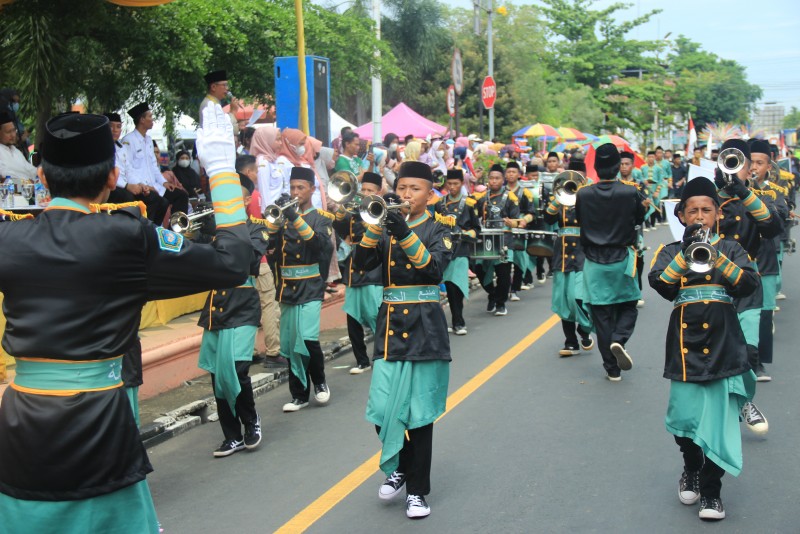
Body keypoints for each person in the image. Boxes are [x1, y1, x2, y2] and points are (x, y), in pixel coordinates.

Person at [0, 105, 251, 532]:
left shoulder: (9, 236)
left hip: (22, 421)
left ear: (42, 177)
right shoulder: (128, 235)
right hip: (98, 418)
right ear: (112, 178)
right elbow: (233, 263)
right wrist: (224, 171)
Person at [648, 176, 759, 521]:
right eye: (692, 211)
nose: (699, 216)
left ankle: (711, 493)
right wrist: (687, 253)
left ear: (717, 215)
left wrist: (715, 256)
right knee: (684, 419)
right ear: (681, 215)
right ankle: (691, 469)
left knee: (718, 422)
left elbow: (747, 283)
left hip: (725, 342)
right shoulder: (668, 251)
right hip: (684, 346)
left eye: (706, 210)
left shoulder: (732, 249)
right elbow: (661, 284)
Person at [352, 160, 452, 520]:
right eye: (403, 187)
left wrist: (403, 233)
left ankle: (417, 492)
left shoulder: (441, 228)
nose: (407, 194)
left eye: (415, 189)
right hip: (390, 330)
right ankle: (403, 469)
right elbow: (361, 264)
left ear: (430, 193)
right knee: (380, 410)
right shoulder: (385, 225)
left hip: (426, 330)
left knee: (420, 417)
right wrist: (374, 228)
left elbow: (433, 268)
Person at [198, 181, 269, 457]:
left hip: (242, 305)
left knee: (237, 371)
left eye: (234, 199)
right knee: (217, 375)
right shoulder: (213, 227)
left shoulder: (257, 228)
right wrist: (199, 234)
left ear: (246, 200)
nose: (227, 204)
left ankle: (251, 421)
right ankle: (231, 436)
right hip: (216, 308)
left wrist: (223, 232)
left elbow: (249, 260)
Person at [575, 143, 647, 381]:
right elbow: (640, 218)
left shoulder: (583, 193)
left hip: (594, 263)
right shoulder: (630, 192)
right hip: (622, 258)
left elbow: (579, 219)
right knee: (629, 304)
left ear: (595, 167)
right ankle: (620, 339)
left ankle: (612, 369)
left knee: (601, 315)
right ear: (618, 167)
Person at [266, 167, 334, 412]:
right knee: (289, 343)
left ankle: (321, 383)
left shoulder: (322, 217)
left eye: (300, 188)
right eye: (292, 187)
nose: (295, 192)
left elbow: (318, 245)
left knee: (307, 338)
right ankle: (299, 395)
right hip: (287, 288)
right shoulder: (283, 217)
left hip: (310, 286)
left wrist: (294, 216)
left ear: (312, 190)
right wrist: (274, 224)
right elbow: (269, 245)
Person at [333, 172, 384, 373]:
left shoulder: (381, 210)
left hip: (373, 269)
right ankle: (361, 360)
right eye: (363, 190)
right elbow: (338, 226)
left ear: (378, 192)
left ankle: (381, 355)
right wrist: (342, 207)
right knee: (352, 317)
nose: (365, 193)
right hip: (355, 270)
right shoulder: (355, 212)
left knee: (374, 314)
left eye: (370, 190)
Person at [748, 139, 789, 380]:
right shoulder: (731, 191)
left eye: (759, 163)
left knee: (764, 313)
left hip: (765, 258)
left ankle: (759, 363)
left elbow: (777, 219)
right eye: (749, 162)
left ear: (768, 167)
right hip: (739, 259)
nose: (753, 167)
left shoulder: (776, 192)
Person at [544, 163, 594, 356]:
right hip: (562, 253)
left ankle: (584, 328)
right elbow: (548, 219)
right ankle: (570, 341)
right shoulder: (560, 196)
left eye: (579, 177)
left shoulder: (590, 195)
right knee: (562, 298)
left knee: (577, 296)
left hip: (582, 252)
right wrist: (558, 199)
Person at [120, 102, 189, 225]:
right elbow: (128, 169)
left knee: (181, 196)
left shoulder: (148, 140)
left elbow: (153, 166)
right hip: (141, 187)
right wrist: (143, 185)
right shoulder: (128, 141)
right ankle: (150, 232)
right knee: (161, 202)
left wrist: (164, 182)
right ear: (142, 120)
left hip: (155, 185)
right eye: (150, 117)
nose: (153, 120)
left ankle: (175, 232)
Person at [472, 164, 522, 317]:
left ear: (503, 180)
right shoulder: (481, 198)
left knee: (504, 274)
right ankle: (492, 294)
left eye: (497, 178)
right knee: (479, 269)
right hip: (486, 240)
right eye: (491, 178)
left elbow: (517, 220)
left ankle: (500, 303)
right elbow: (474, 215)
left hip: (504, 240)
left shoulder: (510, 198)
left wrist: (511, 222)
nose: (494, 181)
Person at [435, 168, 480, 335]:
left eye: (456, 184)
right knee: (449, 287)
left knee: (457, 287)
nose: (452, 187)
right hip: (445, 250)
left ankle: (459, 322)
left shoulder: (470, 203)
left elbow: (476, 228)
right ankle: (455, 322)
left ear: (462, 184)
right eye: (450, 184)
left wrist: (467, 233)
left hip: (461, 250)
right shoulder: (440, 203)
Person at [504, 161, 535, 301]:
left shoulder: (525, 192)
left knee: (519, 259)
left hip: (520, 230)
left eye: (514, 172)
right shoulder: (500, 191)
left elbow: (531, 212)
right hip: (504, 229)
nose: (511, 174)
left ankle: (515, 288)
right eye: (509, 172)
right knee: (505, 260)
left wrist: (524, 221)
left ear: (519, 175)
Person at [250, 125, 289, 211]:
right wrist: (268, 214)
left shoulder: (273, 160)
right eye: (277, 139)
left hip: (278, 210)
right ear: (267, 141)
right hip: (270, 213)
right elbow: (263, 191)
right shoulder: (263, 162)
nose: (280, 143)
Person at [0, 111, 36, 185]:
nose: (13, 135)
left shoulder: (16, 151)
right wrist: (27, 184)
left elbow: (30, 170)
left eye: (14, 131)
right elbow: (4, 180)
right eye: (8, 132)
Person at [199, 70, 239, 135]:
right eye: (224, 85)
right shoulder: (208, 104)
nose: (227, 88)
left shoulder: (215, 102)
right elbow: (222, 131)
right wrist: (232, 112)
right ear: (213, 87)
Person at [642, 150, 667, 228]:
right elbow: (640, 178)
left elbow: (660, 181)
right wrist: (643, 181)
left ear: (655, 158)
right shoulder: (643, 168)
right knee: (646, 204)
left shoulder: (658, 168)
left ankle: (653, 223)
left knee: (655, 205)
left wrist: (657, 191)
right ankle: (647, 224)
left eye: (652, 157)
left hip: (654, 187)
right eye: (649, 157)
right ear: (647, 158)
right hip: (646, 188)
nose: (651, 158)